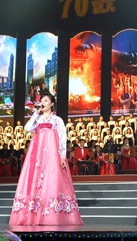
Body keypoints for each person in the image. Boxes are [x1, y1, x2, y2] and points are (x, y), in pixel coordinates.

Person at [9, 92, 83, 226]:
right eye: (41, 101)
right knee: (36, 180)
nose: (43, 103)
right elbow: (27, 128)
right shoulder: (38, 119)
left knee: (52, 180)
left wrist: (62, 156)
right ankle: (34, 213)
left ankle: (52, 214)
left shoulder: (57, 120)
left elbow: (62, 138)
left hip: (52, 155)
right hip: (38, 156)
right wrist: (35, 113)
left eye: (46, 101)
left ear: (52, 104)